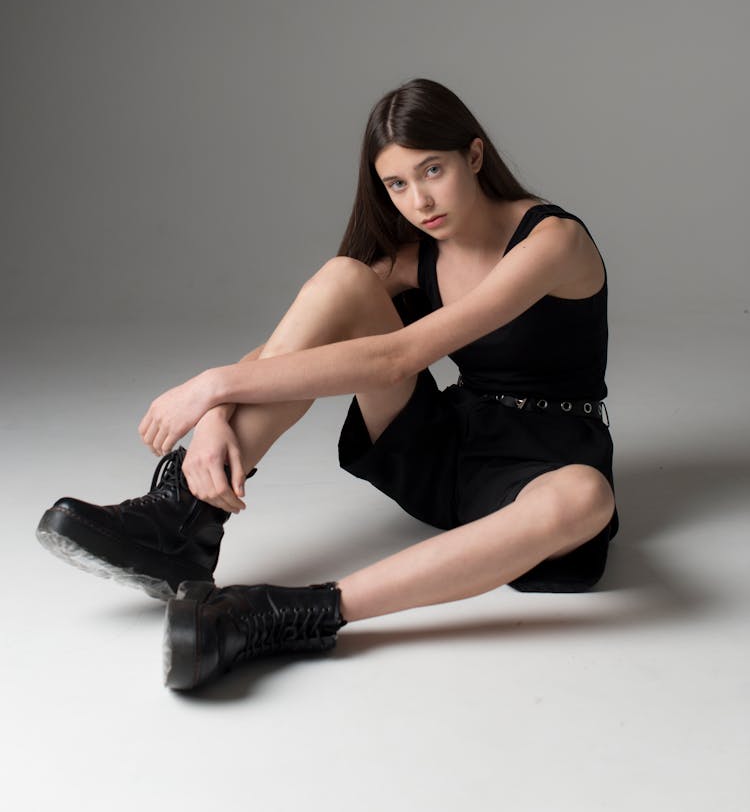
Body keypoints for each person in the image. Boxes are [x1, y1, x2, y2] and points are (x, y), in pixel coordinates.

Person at [37, 77, 618, 691]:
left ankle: (284, 613)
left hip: (542, 464)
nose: (420, 200)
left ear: (473, 156)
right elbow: (296, 337)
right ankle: (183, 517)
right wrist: (213, 412)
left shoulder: (553, 241)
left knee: (586, 498)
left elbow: (398, 358)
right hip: (448, 450)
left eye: (432, 170)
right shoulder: (411, 254)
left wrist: (209, 385)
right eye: (397, 184)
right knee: (344, 278)